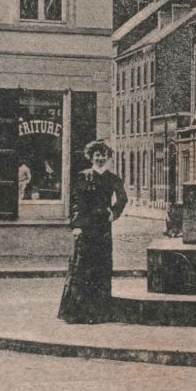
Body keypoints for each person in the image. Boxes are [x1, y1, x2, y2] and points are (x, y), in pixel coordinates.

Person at [57, 139, 128, 324]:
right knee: (82, 268)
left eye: (104, 155)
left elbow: (122, 199)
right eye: (97, 155)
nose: (100, 158)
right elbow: (76, 203)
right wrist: (77, 225)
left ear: (108, 157)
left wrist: (114, 212)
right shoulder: (83, 176)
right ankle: (77, 313)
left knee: (102, 267)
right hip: (86, 228)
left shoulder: (113, 179)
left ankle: (100, 313)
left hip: (103, 227)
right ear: (91, 157)